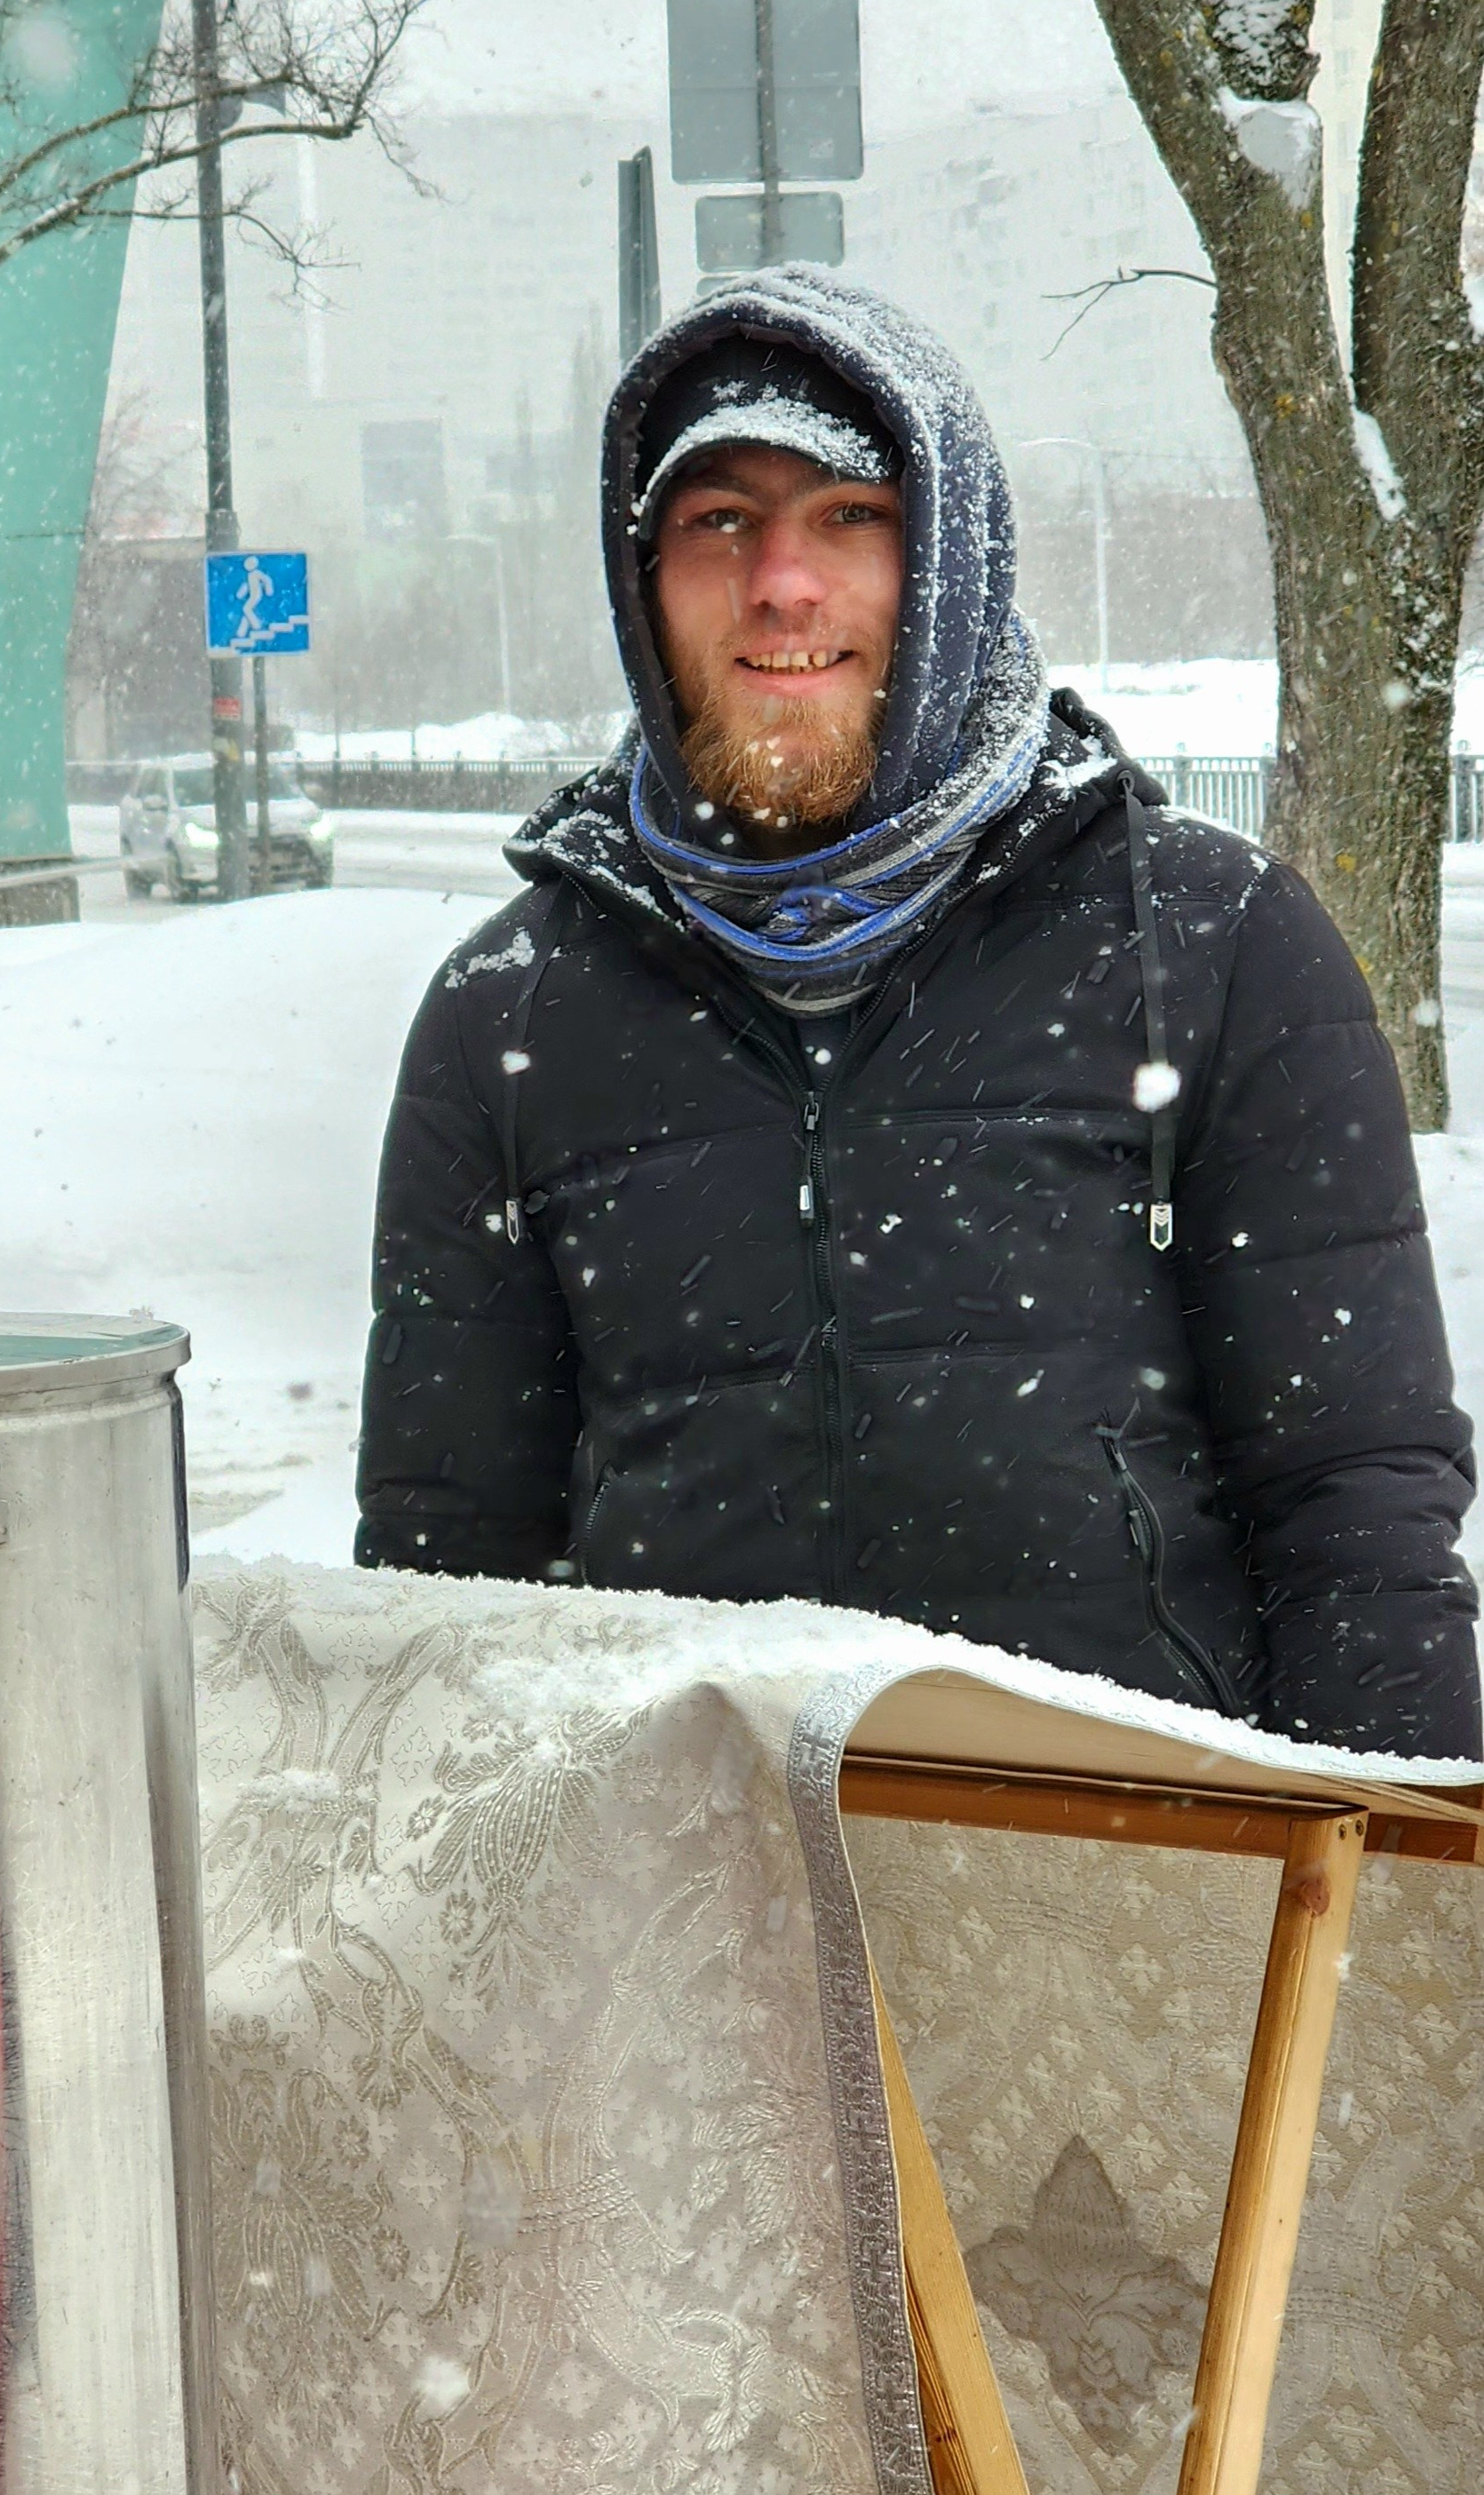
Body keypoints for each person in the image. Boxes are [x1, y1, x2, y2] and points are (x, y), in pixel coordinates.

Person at [355, 267, 1481, 1760]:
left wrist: (1394, 1882)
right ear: (644, 579)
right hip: (682, 1875)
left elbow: (1357, 1511)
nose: (782, 583)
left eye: (849, 515)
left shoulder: (1212, 946)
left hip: (1134, 1860)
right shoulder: (512, 1014)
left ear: (948, 557)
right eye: (720, 520)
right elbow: (446, 1582)